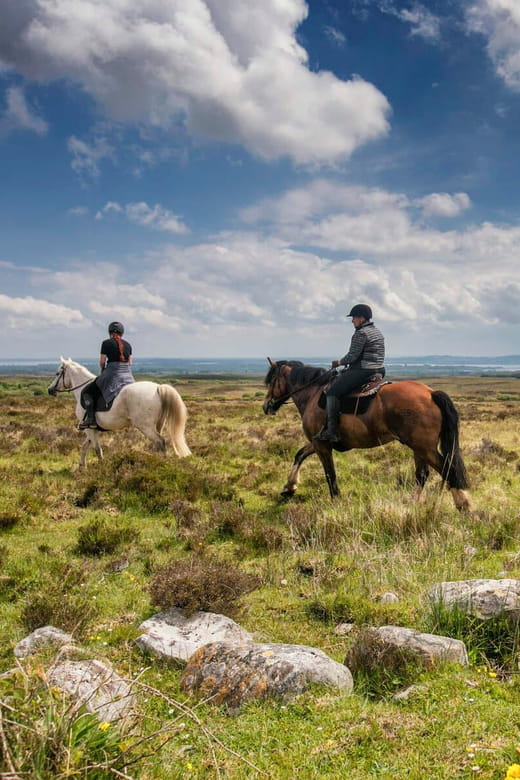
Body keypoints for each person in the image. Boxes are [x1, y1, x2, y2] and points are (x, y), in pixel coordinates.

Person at [314, 304, 385, 443]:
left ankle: (332, 432)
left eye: (354, 318)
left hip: (363, 370)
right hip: (379, 369)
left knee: (332, 392)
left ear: (362, 318)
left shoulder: (361, 333)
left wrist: (339, 362)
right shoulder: (377, 331)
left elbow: (352, 356)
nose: (352, 321)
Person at [79, 321, 135, 429]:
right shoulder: (128, 345)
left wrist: (103, 370)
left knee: (87, 391)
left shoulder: (106, 343)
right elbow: (130, 363)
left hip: (112, 373)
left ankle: (91, 419)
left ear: (109, 332)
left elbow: (102, 361)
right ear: (122, 333)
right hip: (127, 375)